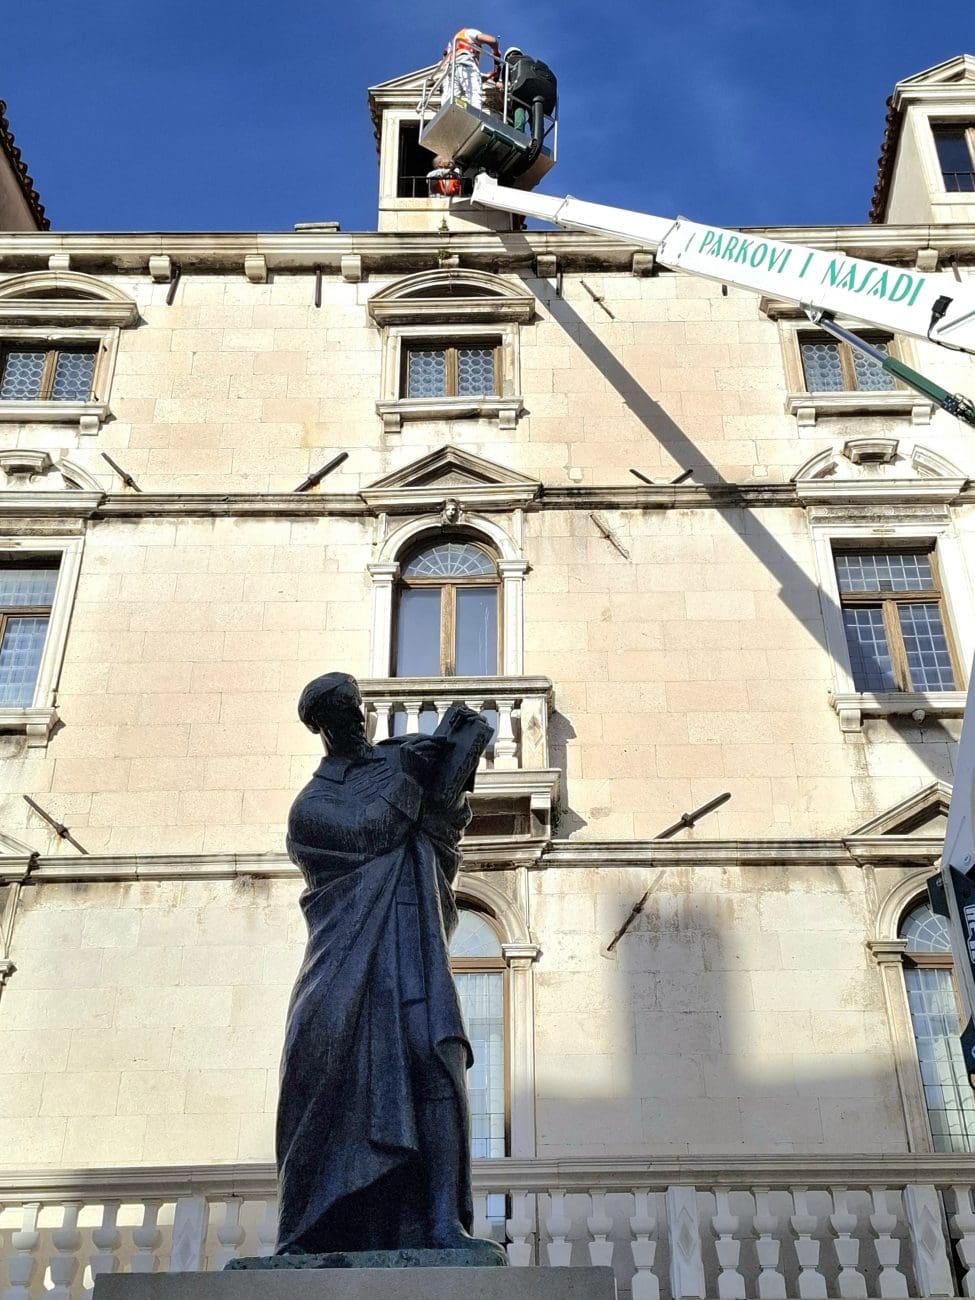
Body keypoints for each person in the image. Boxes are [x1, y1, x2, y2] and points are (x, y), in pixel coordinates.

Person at [275, 673, 504, 1260]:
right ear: (320, 726)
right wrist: (412, 778)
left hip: (415, 941)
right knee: (328, 1072)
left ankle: (442, 1223)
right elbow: (370, 834)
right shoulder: (312, 807)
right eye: (340, 713)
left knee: (438, 1065)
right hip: (348, 960)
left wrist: (450, 778)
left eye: (356, 708)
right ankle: (320, 1225)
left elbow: (441, 830)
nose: (356, 720)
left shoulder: (397, 760)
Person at [446, 27, 499, 112]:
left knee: (452, 100)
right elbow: (493, 41)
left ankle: (450, 114)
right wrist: (496, 52)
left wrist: (490, 75)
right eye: (478, 53)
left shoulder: (455, 44)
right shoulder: (469, 33)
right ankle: (476, 113)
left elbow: (474, 78)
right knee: (474, 94)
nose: (477, 56)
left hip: (451, 69)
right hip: (465, 62)